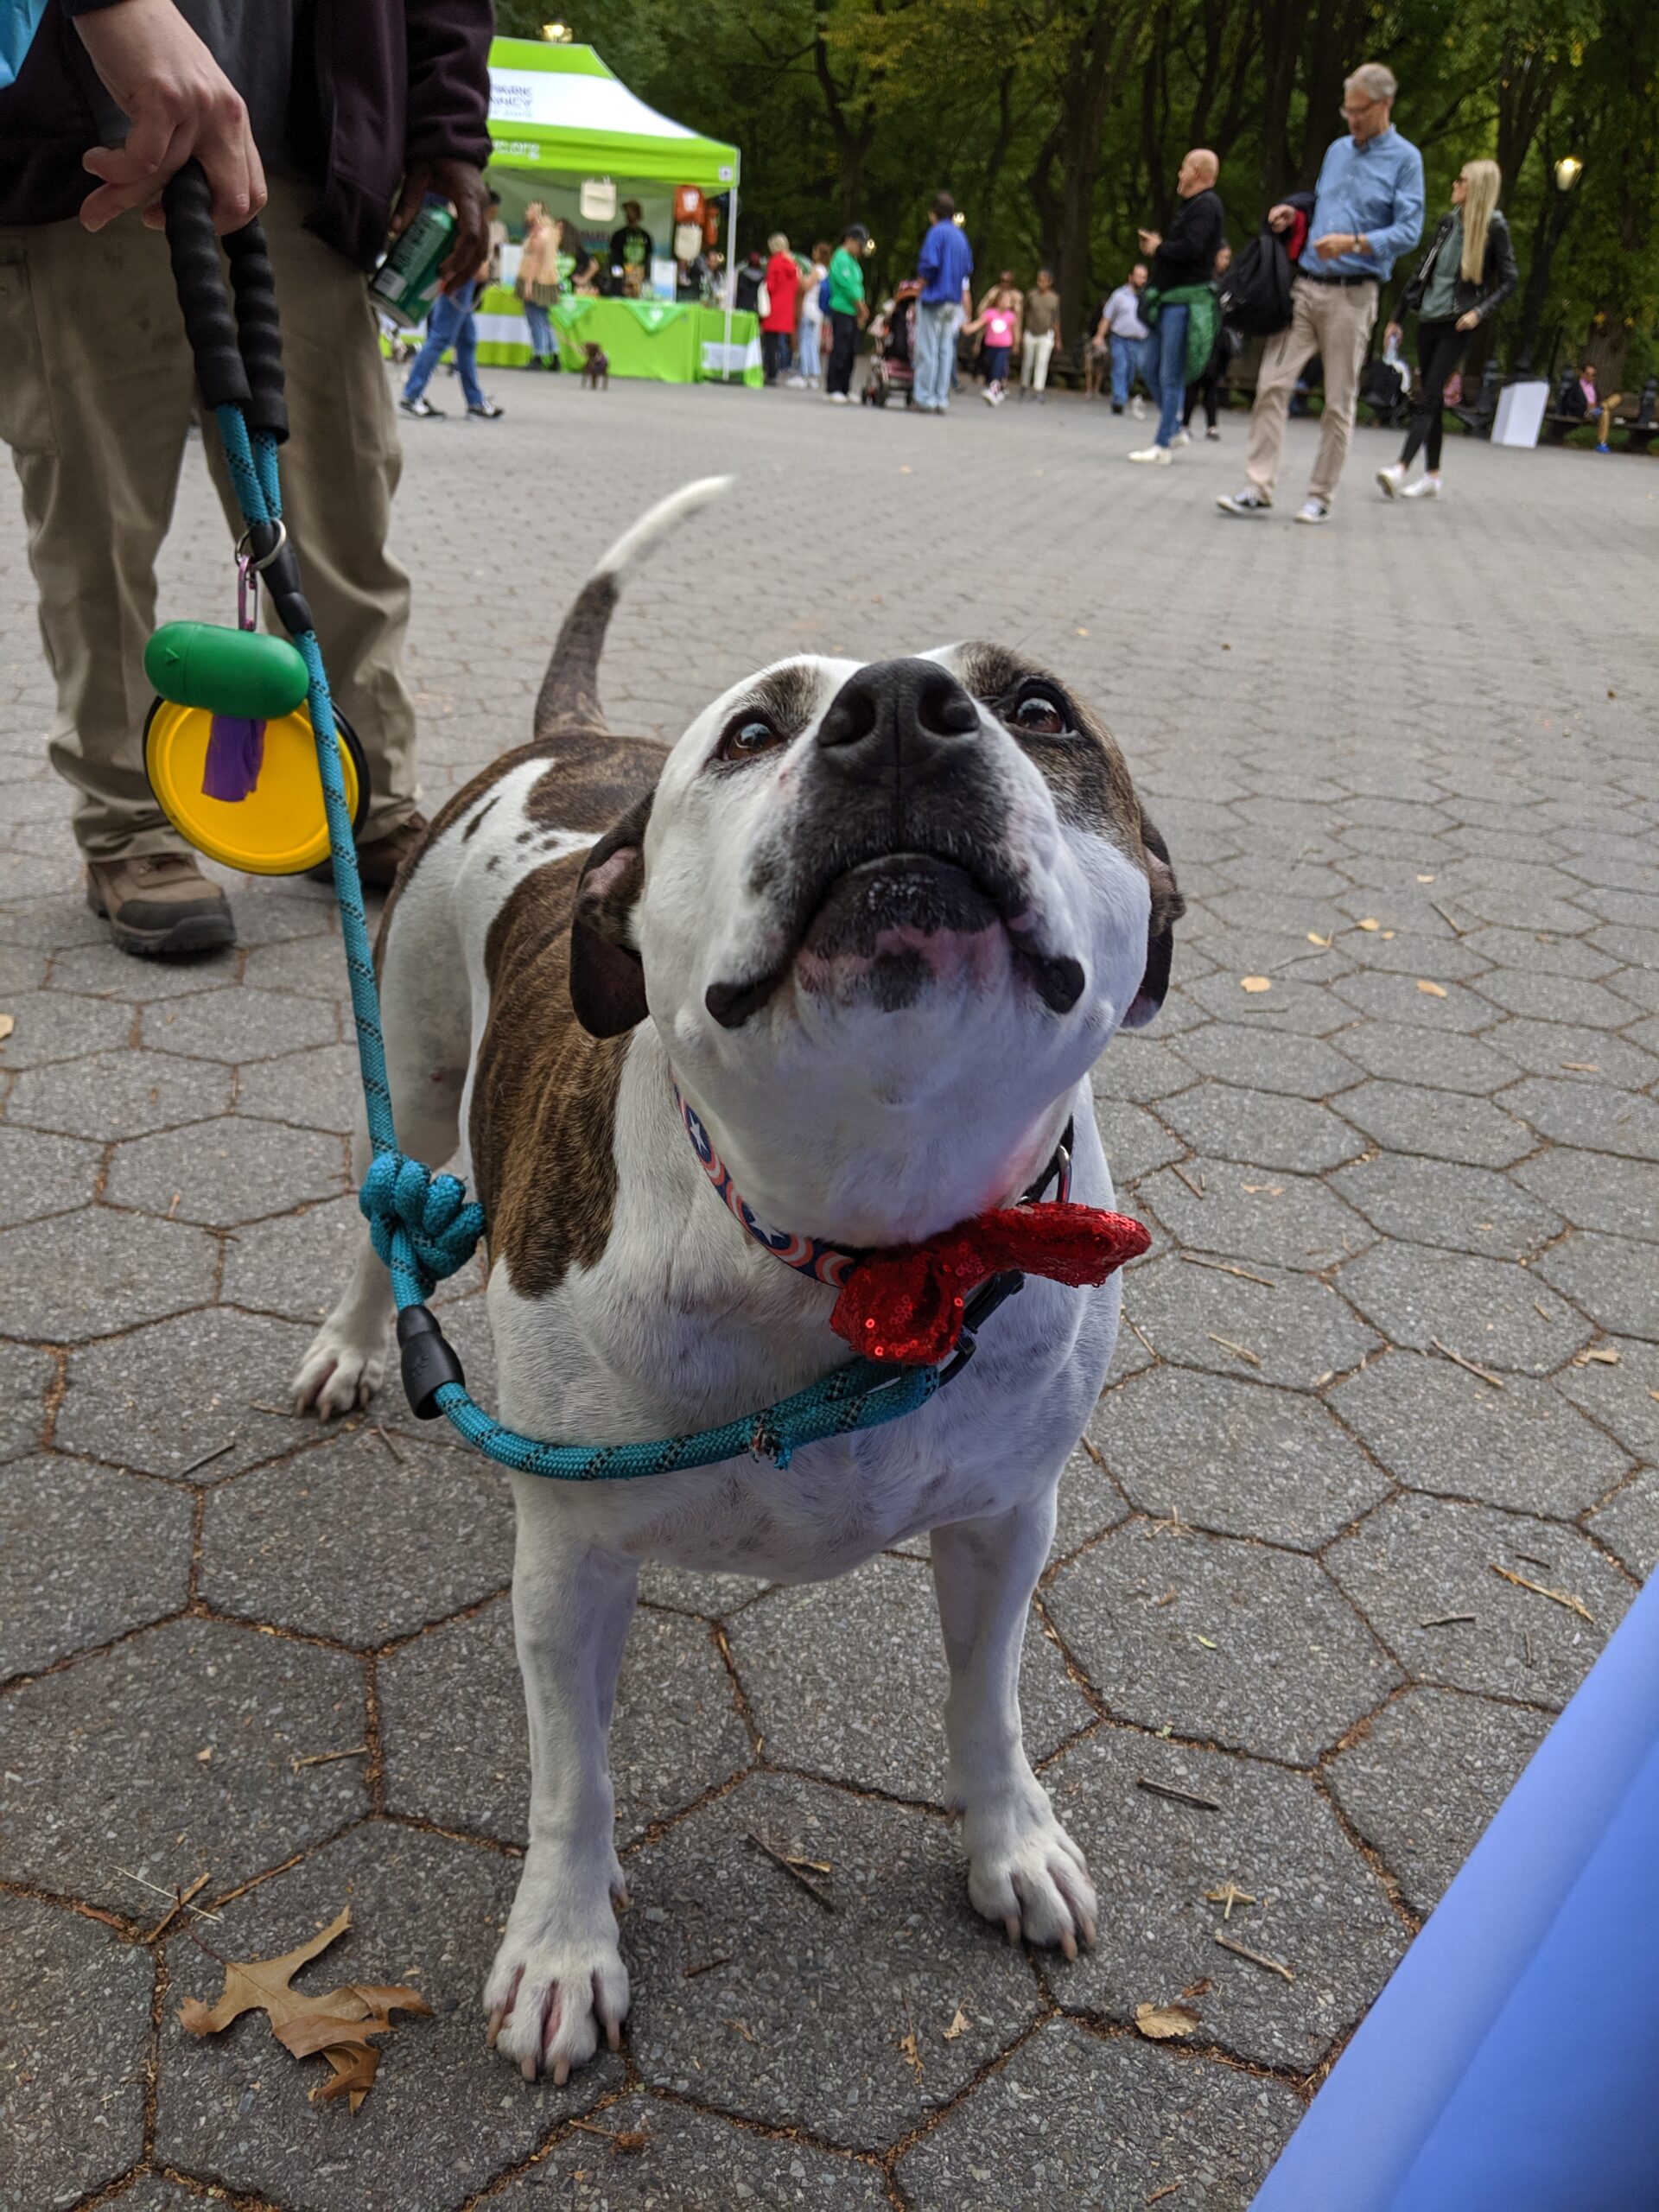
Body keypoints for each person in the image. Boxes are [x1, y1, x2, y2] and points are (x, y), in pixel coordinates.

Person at [0, 0, 491, 957]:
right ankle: (128, 825)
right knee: (96, 528)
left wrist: (448, 132)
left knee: (342, 523)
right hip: (82, 165)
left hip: (305, 163)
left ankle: (368, 795)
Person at [1218, 62, 1424, 524]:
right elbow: (1324, 203)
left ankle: (1320, 495)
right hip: (1306, 288)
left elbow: (1410, 229)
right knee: (1272, 384)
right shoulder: (1336, 151)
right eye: (1346, 110)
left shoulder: (1406, 160)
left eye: (1359, 111)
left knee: (1338, 400)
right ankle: (1258, 486)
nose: (1350, 119)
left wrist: (1355, 244)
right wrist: (1295, 215)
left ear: (1384, 105)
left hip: (1354, 295)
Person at [1377, 159, 1517, 499]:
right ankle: (1433, 477)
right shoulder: (1446, 224)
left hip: (1458, 324)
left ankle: (1400, 468)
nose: (1454, 185)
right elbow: (1420, 274)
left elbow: (1511, 280)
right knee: (1433, 397)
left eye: (1461, 180)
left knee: (1428, 395)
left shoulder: (1494, 228)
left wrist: (1479, 313)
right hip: (1429, 319)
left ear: (1476, 188)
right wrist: (1396, 317)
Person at [1127, 149, 1224, 465]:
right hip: (1168, 300)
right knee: (1148, 362)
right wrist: (1160, 248)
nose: (1179, 175)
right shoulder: (1192, 207)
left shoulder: (1207, 205)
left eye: (1183, 169)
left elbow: (1192, 250)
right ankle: (1176, 424)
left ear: (1197, 172)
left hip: (1185, 302)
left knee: (1171, 373)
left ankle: (1162, 445)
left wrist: (1160, 248)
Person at [400, 216, 503, 422]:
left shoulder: (460, 207)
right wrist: (478, 264)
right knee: (441, 337)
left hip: (458, 279)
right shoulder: (472, 207)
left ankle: (475, 400)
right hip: (461, 280)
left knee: (466, 341)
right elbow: (471, 241)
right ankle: (412, 395)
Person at [912, 190, 975, 414]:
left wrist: (920, 285)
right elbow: (968, 268)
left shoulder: (936, 232)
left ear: (933, 213)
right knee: (945, 351)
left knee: (927, 349)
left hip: (934, 297)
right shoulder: (961, 236)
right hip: (953, 301)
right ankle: (941, 398)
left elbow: (930, 263)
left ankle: (923, 397)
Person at [1182, 240, 1233, 441]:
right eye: (1224, 257)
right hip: (1201, 335)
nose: (1227, 262)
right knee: (1195, 380)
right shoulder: (1203, 280)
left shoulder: (1226, 281)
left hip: (1217, 339)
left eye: (1228, 258)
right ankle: (1185, 423)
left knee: (1211, 382)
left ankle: (1211, 424)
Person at [1096, 263, 1152, 416]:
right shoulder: (1119, 295)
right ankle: (1119, 400)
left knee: (1130, 372)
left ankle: (1121, 394)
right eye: (1139, 277)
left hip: (1139, 342)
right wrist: (1100, 336)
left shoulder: (1147, 297)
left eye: (1144, 278)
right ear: (1131, 277)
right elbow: (1107, 317)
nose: (1142, 280)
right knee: (1120, 367)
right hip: (1120, 339)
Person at [824, 223, 868, 404]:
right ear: (849, 240)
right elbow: (848, 286)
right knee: (841, 348)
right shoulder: (841, 258)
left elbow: (858, 284)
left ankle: (845, 387)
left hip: (853, 311)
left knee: (851, 350)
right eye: (859, 245)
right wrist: (861, 306)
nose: (860, 249)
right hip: (843, 308)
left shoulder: (853, 260)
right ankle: (834, 387)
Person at [964, 281, 1020, 404]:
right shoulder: (990, 313)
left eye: (1010, 301)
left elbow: (1015, 331)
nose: (1008, 303)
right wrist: (968, 328)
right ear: (998, 300)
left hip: (1004, 347)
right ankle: (997, 390)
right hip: (990, 346)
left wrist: (1016, 343)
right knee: (990, 367)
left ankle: (994, 391)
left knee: (998, 368)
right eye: (1006, 300)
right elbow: (979, 323)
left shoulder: (1011, 316)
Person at [760, 232, 799, 384]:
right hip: (786, 307)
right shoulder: (792, 264)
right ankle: (777, 371)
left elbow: (770, 286)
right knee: (779, 342)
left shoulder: (774, 262)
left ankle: (771, 374)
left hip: (773, 306)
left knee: (769, 342)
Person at [1019, 268, 1061, 398]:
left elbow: (1056, 319)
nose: (1040, 283)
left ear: (1049, 282)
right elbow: (1023, 311)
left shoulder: (1054, 298)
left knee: (1042, 363)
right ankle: (1024, 386)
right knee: (1028, 362)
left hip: (1046, 334)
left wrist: (1058, 339)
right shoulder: (1031, 295)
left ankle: (1038, 390)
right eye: (1039, 280)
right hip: (1031, 332)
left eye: (1043, 281)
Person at [794, 240, 830, 386]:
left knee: (805, 341)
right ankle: (814, 374)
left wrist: (799, 275)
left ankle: (804, 373)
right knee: (812, 342)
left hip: (810, 308)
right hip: (818, 311)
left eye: (815, 251)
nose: (813, 253)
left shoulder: (817, 270)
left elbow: (806, 286)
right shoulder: (826, 271)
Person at [608, 198, 652, 292]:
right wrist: (619, 276)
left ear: (638, 214)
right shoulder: (618, 235)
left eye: (631, 211)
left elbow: (648, 259)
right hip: (620, 282)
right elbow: (613, 259)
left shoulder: (646, 236)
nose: (628, 215)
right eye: (627, 212)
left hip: (639, 280)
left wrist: (645, 276)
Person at [734, 246, 766, 316]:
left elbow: (739, 290)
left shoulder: (742, 275)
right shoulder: (763, 277)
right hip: (756, 307)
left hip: (742, 306)